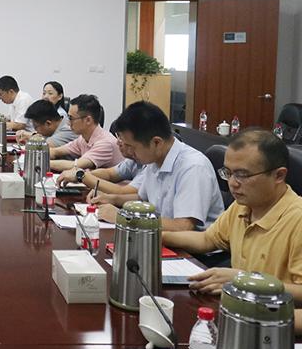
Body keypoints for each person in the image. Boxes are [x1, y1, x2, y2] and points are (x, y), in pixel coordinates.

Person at [163, 129, 302, 300]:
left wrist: (245, 281)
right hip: (237, 305)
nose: (232, 183)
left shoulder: (297, 219)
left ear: (279, 175)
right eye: (228, 173)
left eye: (242, 175)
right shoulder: (243, 205)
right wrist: (159, 236)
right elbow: (207, 239)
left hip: (273, 314)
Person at [86, 102, 223, 230]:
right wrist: (112, 198)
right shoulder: (154, 159)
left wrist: (123, 217)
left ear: (156, 142)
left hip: (190, 247)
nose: (128, 152)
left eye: (131, 147)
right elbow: (142, 198)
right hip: (160, 236)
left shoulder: (193, 167)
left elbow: (183, 226)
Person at [57, 121, 144, 196]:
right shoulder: (133, 160)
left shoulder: (148, 166)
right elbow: (109, 174)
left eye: (121, 138)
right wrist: (81, 175)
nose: (118, 142)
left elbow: (122, 192)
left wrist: (81, 176)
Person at [49, 94, 123, 172]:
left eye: (71, 118)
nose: (68, 123)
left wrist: (44, 162)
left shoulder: (105, 143)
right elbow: (56, 151)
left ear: (88, 120)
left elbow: (74, 166)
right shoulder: (83, 138)